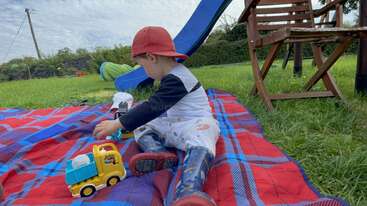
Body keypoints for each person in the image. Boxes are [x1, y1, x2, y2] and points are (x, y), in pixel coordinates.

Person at [93, 26, 220, 206]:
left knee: (204, 135)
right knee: (142, 125)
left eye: (142, 66)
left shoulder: (178, 77)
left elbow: (153, 107)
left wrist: (118, 123)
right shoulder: (169, 75)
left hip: (196, 123)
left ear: (152, 58)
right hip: (175, 124)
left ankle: (189, 189)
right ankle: (158, 154)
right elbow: (154, 108)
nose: (144, 71)